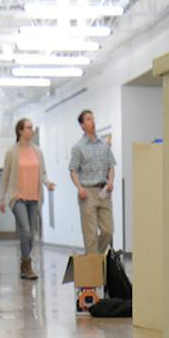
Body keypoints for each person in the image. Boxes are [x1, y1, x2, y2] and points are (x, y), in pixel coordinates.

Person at [0, 117, 55, 281]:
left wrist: (48, 183)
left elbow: (43, 173)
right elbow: (6, 177)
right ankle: (28, 265)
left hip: (34, 198)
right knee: (26, 230)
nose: (32, 130)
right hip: (17, 197)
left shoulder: (38, 152)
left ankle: (23, 264)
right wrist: (2, 199)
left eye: (32, 127)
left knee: (32, 236)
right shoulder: (12, 152)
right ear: (20, 131)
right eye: (29, 127)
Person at [68, 109, 116, 255]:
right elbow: (73, 171)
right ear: (82, 125)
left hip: (104, 192)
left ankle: (91, 258)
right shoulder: (78, 147)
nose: (92, 121)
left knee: (108, 231)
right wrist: (79, 188)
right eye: (88, 119)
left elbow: (111, 166)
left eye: (93, 118)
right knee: (91, 235)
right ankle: (93, 265)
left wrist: (111, 181)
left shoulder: (104, 145)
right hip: (87, 193)